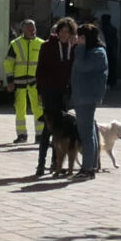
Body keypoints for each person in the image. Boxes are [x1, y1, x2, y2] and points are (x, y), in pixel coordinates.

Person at [68, 14, 111, 177]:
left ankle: (87, 168)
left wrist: (79, 47)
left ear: (86, 38)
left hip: (87, 96)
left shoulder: (97, 52)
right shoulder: (92, 51)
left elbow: (82, 66)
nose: (76, 39)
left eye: (79, 36)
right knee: (90, 130)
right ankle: (91, 165)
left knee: (85, 133)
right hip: (83, 95)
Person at [33, 19, 77, 176]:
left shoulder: (73, 48)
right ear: (57, 32)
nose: (64, 35)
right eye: (62, 31)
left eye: (68, 32)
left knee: (61, 131)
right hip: (49, 92)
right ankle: (40, 163)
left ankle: (55, 163)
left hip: (64, 93)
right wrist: (40, 90)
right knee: (48, 128)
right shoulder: (47, 46)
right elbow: (40, 70)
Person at [5, 19, 44, 144]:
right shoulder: (15, 44)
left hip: (35, 82)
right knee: (20, 109)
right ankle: (22, 135)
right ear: (23, 30)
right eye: (29, 29)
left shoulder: (42, 44)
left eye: (33, 28)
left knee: (38, 109)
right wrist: (10, 81)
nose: (32, 31)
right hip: (19, 82)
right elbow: (8, 63)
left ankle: (40, 134)